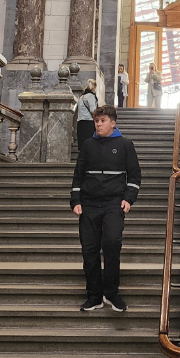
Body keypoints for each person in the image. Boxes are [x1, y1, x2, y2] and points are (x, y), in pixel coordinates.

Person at [70, 104, 141, 313]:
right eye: (96, 121)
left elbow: (135, 176)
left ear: (113, 123)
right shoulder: (87, 145)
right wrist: (76, 200)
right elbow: (78, 176)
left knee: (111, 244)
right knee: (89, 250)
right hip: (89, 205)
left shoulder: (125, 145)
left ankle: (111, 293)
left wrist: (129, 198)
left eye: (102, 121)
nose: (98, 125)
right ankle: (94, 296)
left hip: (113, 204)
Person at [76, 78, 98, 149]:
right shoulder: (91, 96)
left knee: (82, 143)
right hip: (88, 122)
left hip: (80, 122)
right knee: (90, 143)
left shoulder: (81, 97)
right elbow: (93, 110)